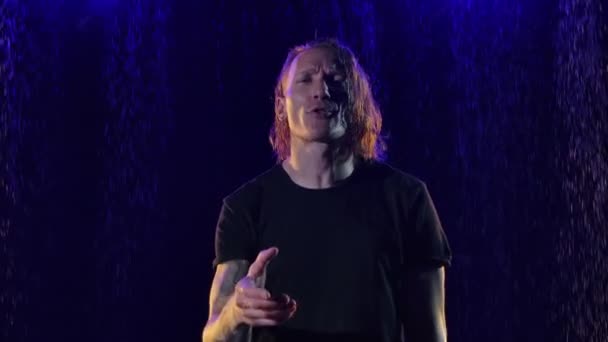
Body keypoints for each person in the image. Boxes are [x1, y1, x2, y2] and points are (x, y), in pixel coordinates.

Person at [202, 38, 452, 342]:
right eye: (306, 80)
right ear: (281, 106)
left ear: (357, 100)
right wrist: (235, 313)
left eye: (335, 79)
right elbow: (213, 335)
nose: (321, 91)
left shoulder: (407, 198)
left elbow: (431, 333)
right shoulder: (245, 207)